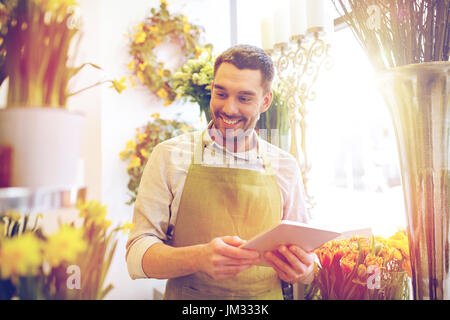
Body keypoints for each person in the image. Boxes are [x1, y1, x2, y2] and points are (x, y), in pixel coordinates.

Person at [126, 44, 314, 300]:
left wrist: (305, 269)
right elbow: (137, 255)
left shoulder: (285, 166)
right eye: (221, 93)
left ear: (265, 102)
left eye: (244, 98)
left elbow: (307, 258)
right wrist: (198, 257)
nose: (229, 109)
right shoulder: (169, 156)